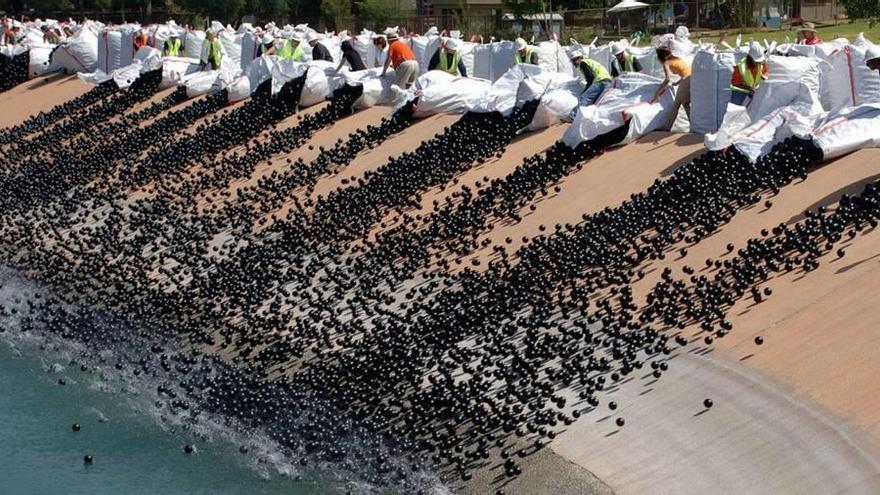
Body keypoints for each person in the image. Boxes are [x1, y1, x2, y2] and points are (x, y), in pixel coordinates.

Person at [654, 44, 692, 130]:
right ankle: (668, 128)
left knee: (685, 104)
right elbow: (685, 71)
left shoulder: (666, 63)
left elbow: (667, 79)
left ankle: (694, 126)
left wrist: (658, 91)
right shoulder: (677, 58)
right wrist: (678, 82)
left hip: (687, 80)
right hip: (691, 79)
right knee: (676, 105)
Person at [567, 49, 612, 120]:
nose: (575, 62)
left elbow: (590, 79)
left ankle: (573, 116)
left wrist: (584, 92)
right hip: (607, 81)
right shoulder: (588, 62)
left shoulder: (583, 63)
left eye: (576, 59)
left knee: (584, 98)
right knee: (597, 101)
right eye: (573, 61)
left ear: (580, 58)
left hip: (601, 80)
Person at [730, 41, 768, 106]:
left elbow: (765, 72)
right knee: (735, 107)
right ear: (750, 58)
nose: (758, 63)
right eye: (756, 61)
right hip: (740, 90)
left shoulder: (761, 63)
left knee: (760, 105)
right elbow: (735, 83)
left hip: (754, 89)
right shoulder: (740, 66)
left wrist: (764, 77)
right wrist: (749, 88)